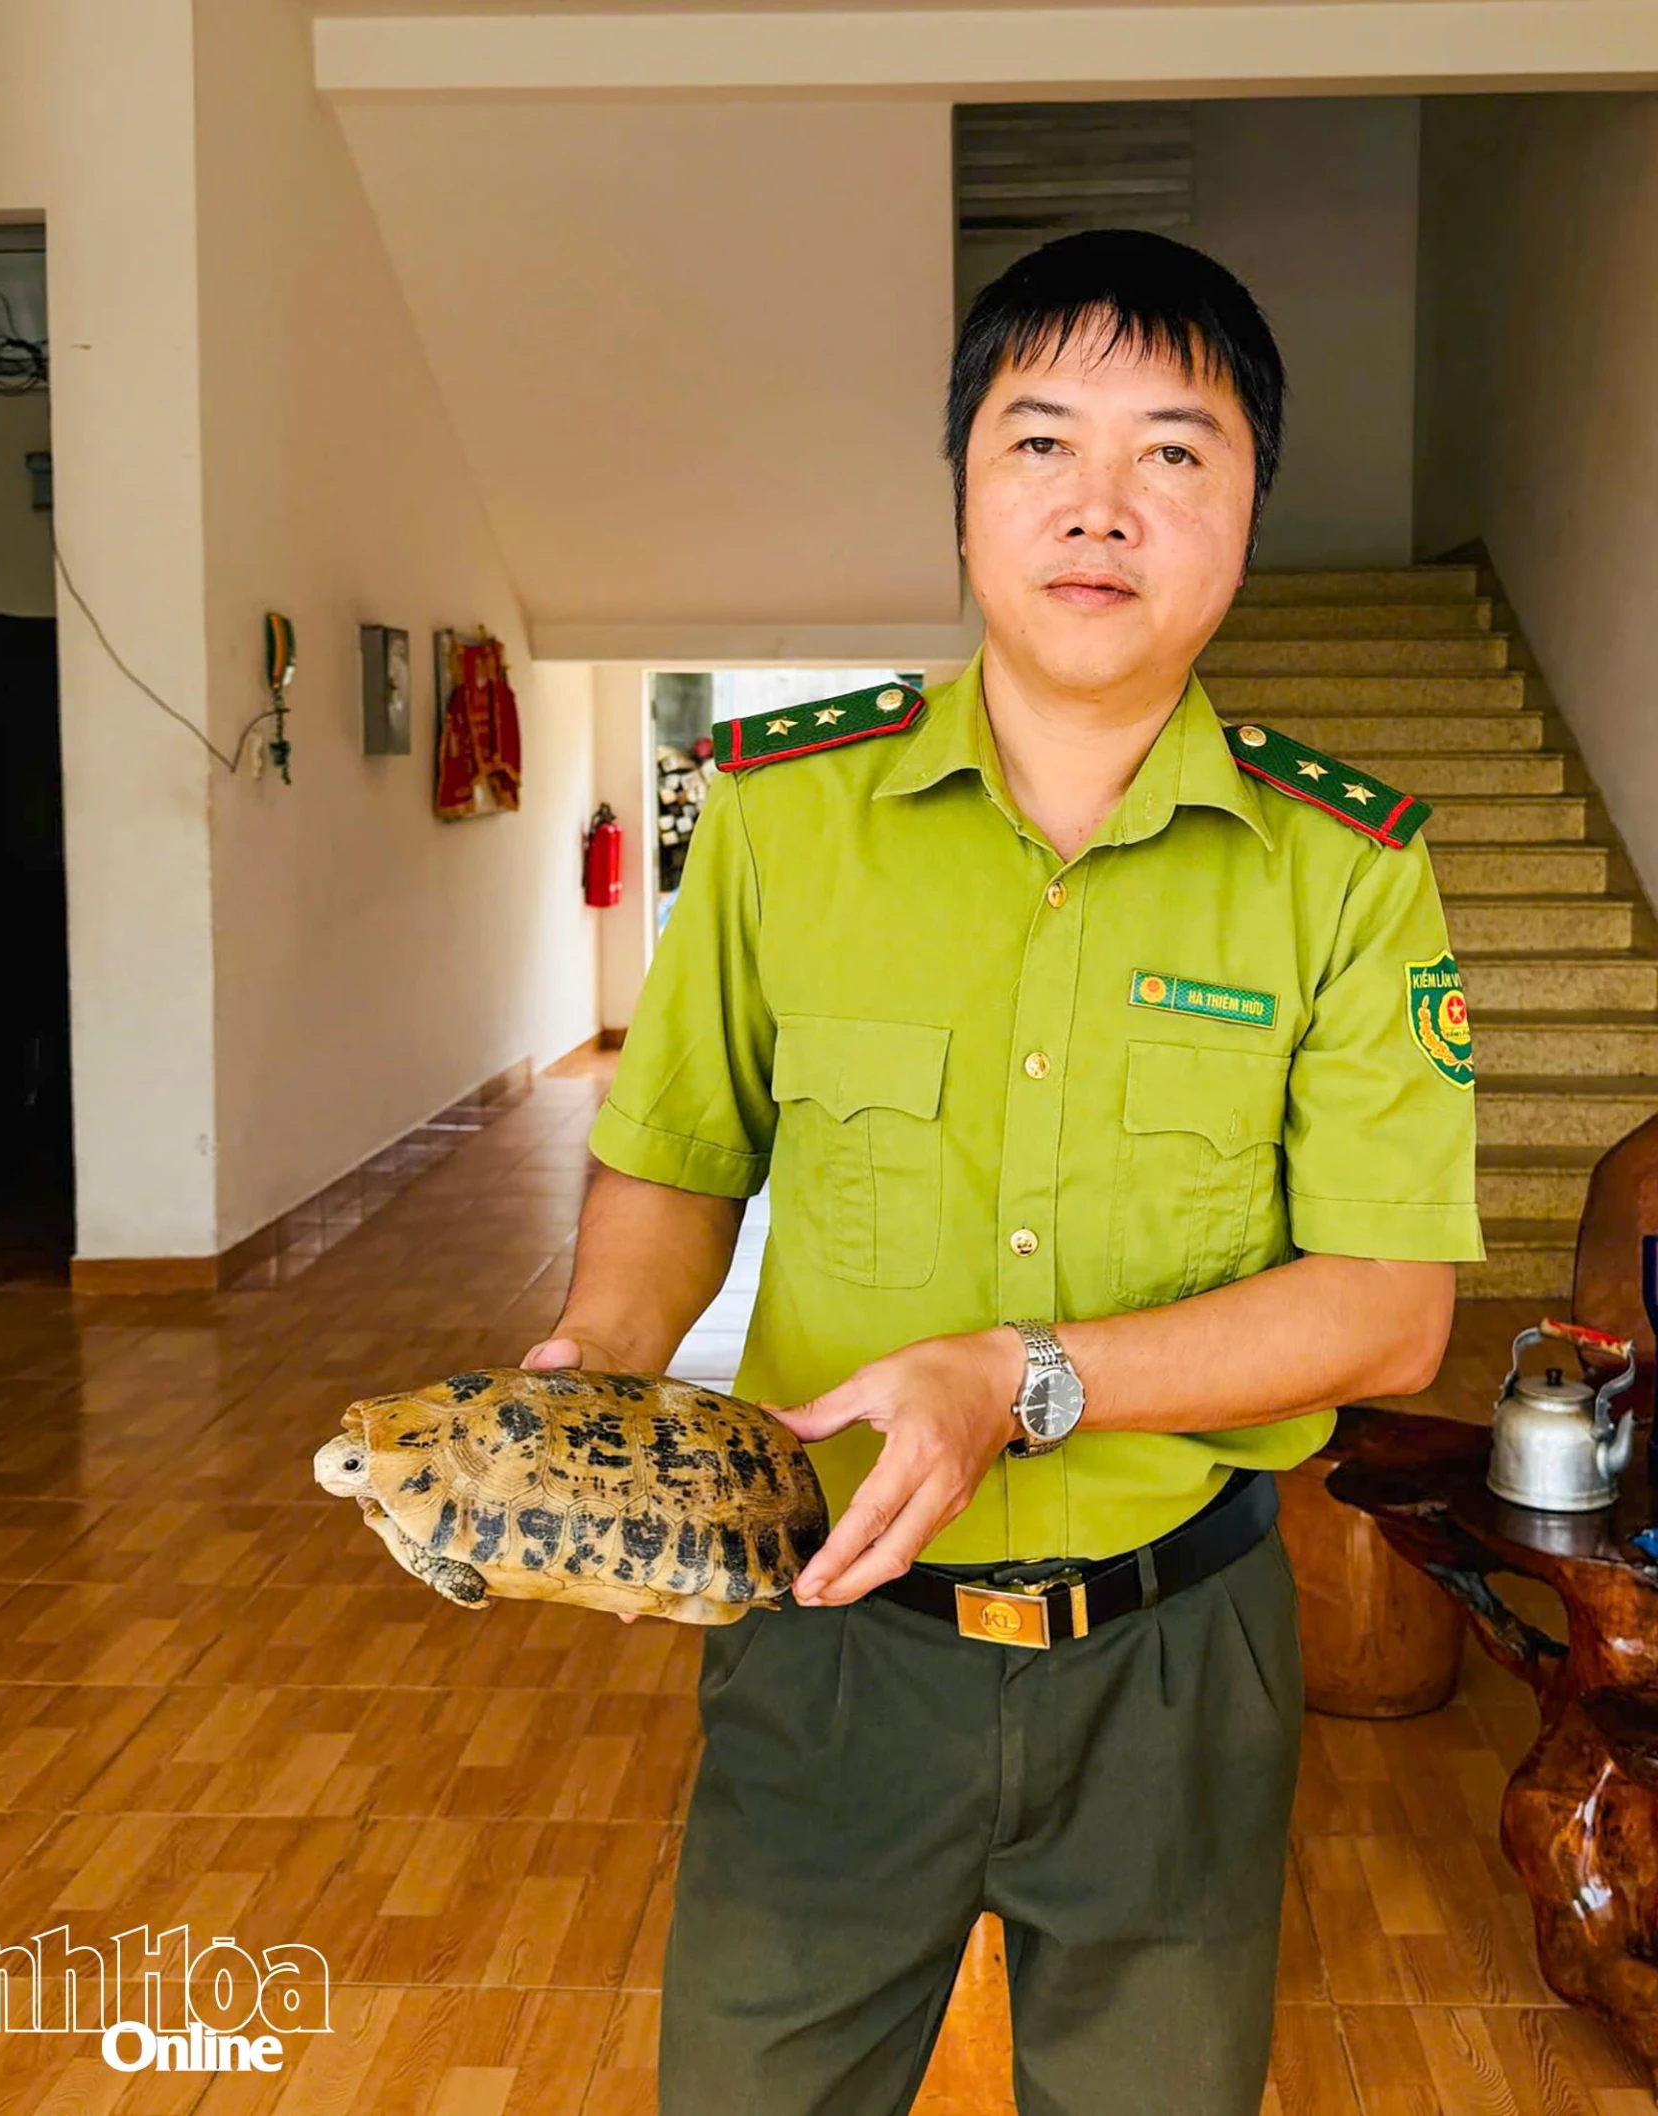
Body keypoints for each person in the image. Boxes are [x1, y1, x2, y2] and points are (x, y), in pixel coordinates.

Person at [523, 227, 1483, 2116]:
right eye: (1040, 443)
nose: (1101, 507)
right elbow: (679, 1155)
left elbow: (1390, 1316)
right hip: (828, 1648)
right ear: (963, 496)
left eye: (1174, 453)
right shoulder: (790, 815)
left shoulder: (1347, 871)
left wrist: (1026, 1376)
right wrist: (601, 1361)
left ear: (1248, 513)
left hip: (1176, 1665)